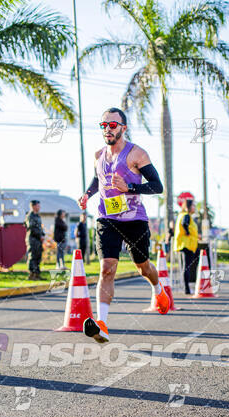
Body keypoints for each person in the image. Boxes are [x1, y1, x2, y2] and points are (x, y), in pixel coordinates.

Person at [77, 107, 169, 344]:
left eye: (112, 125)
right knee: (107, 267)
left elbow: (157, 186)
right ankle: (103, 325)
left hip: (134, 220)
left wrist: (131, 188)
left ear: (123, 128)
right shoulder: (99, 155)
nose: (108, 129)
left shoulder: (137, 154)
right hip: (107, 218)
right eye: (104, 125)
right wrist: (88, 194)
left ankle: (159, 290)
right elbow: (97, 180)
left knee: (142, 267)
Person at [174, 198, 199, 294]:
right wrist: (188, 232)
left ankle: (187, 287)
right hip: (186, 245)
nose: (194, 207)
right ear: (188, 206)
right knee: (186, 266)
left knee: (187, 266)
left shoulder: (184, 215)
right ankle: (186, 288)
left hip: (187, 245)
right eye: (193, 205)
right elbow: (184, 224)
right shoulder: (186, 216)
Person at [25, 200, 44, 280]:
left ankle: (37, 274)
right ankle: (31, 274)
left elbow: (40, 227)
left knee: (38, 256)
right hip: (32, 239)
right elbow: (32, 228)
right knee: (32, 256)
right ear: (33, 206)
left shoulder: (38, 216)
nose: (39, 207)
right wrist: (39, 236)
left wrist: (42, 235)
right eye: (38, 206)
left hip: (38, 240)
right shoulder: (30, 216)